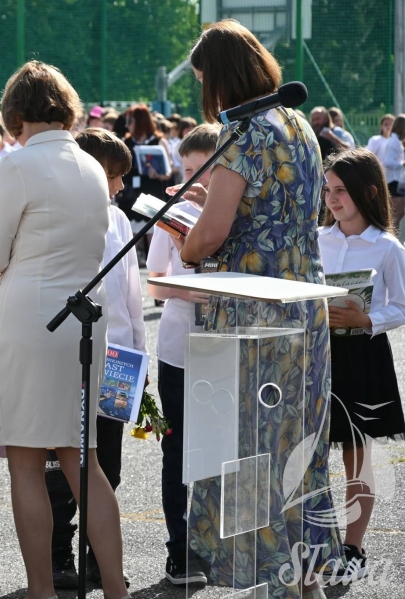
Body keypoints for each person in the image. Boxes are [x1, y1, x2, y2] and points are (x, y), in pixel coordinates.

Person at [180, 19, 342, 599]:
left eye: (205, 81)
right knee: (299, 442)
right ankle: (305, 580)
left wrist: (187, 234)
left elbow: (209, 236)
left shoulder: (244, 133)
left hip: (255, 309)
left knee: (248, 445)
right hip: (304, 303)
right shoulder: (299, 124)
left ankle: (267, 581)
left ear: (220, 79)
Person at [0, 60, 129, 599]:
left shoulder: (18, 165)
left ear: (16, 113)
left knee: (25, 460)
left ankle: (42, 591)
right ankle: (115, 587)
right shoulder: (90, 165)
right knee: (81, 461)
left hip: (33, 317)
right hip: (87, 318)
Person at [46, 128, 145, 591]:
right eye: (112, 175)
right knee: (67, 462)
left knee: (110, 465)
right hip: (75, 354)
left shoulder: (120, 219)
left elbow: (131, 293)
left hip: (119, 355)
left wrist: (139, 354)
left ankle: (98, 557)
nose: (121, 186)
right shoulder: (59, 216)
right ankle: (57, 555)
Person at [317, 149, 405, 585]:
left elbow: (402, 306)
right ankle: (315, 538)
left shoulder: (387, 247)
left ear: (368, 192)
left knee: (358, 454)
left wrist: (366, 319)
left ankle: (353, 546)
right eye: (328, 189)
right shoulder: (315, 238)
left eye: (341, 190)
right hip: (315, 355)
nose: (332, 198)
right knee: (310, 450)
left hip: (363, 356)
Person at [146, 124, 221, 586]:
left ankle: (212, 546)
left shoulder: (237, 214)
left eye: (206, 169)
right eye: (188, 169)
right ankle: (180, 553)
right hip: (177, 348)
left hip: (223, 346)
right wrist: (185, 291)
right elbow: (153, 280)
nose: (195, 179)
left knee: (216, 452)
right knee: (176, 452)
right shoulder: (170, 213)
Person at [119, 104, 173, 249]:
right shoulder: (127, 142)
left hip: (153, 192)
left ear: (140, 122)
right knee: (132, 233)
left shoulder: (159, 141)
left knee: (153, 234)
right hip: (132, 194)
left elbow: (168, 172)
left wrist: (158, 175)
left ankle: (155, 269)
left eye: (130, 122)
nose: (127, 125)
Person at [366, 114, 405, 232]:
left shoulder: (396, 141)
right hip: (392, 180)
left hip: (396, 180)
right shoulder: (393, 142)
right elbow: (388, 161)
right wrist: (402, 164)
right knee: (396, 214)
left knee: (398, 212)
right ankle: (391, 237)